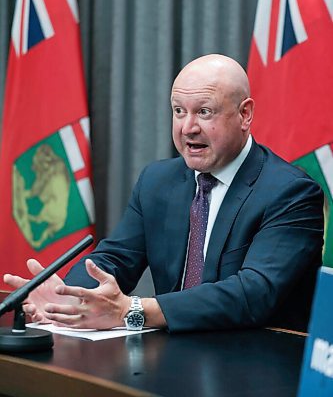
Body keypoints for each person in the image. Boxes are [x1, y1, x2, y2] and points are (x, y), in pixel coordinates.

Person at [4, 54, 324, 332]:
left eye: (205, 112)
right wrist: (71, 301)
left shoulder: (290, 193)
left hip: (256, 366)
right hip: (172, 358)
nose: (187, 127)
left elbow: (254, 293)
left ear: (245, 115)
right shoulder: (158, 180)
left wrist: (135, 311)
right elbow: (114, 259)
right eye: (179, 111)